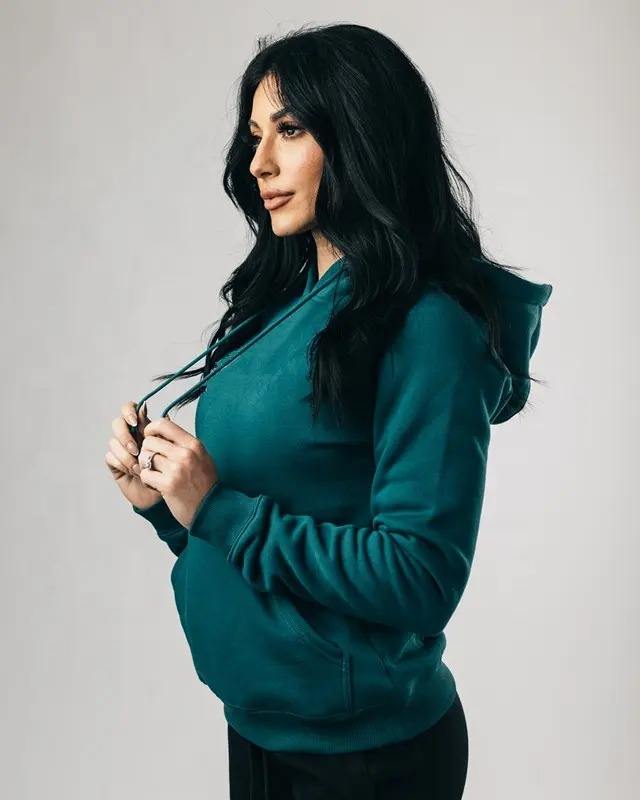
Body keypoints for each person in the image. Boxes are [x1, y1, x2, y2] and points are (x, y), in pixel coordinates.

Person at [105, 23, 553, 799]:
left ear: (361, 134)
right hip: (260, 730)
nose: (259, 163)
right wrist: (168, 508)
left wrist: (216, 509)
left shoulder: (428, 327)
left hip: (367, 758)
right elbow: (260, 523)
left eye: (289, 131)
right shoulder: (279, 308)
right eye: (254, 136)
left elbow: (420, 577)